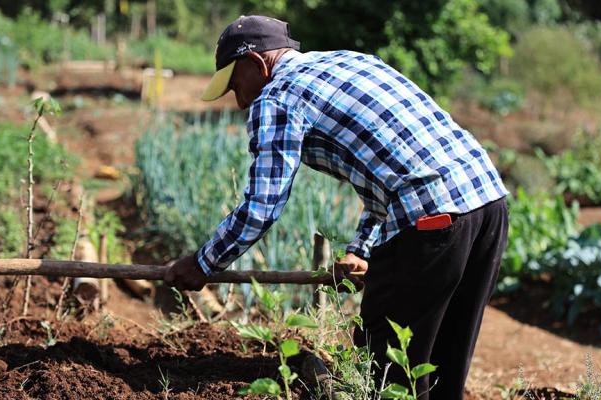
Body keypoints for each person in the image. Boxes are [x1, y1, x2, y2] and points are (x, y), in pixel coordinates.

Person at [164, 15, 509, 399]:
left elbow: (262, 205)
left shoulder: (277, 98)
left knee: (388, 363)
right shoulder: (351, 61)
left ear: (257, 64)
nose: (240, 100)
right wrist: (360, 249)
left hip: (433, 221)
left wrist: (203, 262)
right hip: (488, 202)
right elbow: (394, 166)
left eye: (235, 85)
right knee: (444, 363)